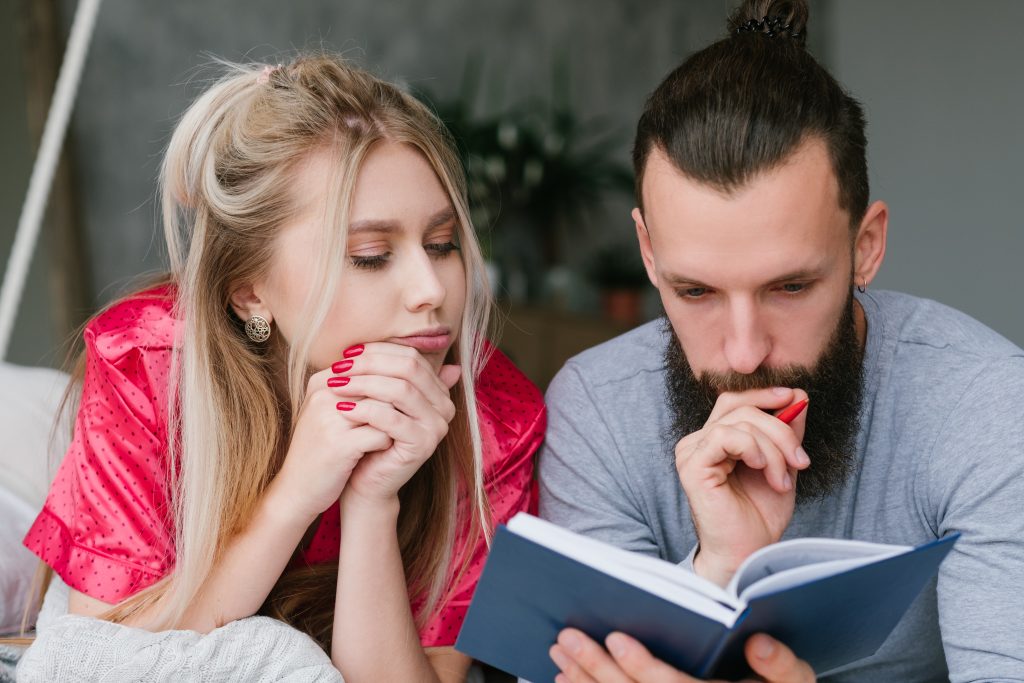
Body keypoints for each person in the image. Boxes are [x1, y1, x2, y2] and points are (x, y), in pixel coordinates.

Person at [538, 1, 1024, 681]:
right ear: (648, 253)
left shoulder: (988, 404)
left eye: (789, 287)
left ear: (866, 245)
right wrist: (716, 569)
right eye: (696, 292)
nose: (742, 353)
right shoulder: (595, 411)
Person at [18, 54, 545, 682]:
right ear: (250, 293)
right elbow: (110, 657)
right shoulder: (151, 361)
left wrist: (372, 504)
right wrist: (295, 494)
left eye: (442, 243)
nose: (430, 289)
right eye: (371, 256)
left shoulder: (492, 418)